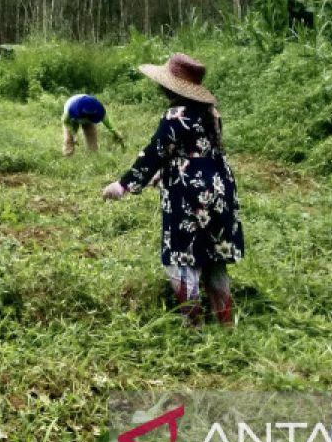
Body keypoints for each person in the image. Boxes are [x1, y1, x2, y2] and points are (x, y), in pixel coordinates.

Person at [101, 54, 243, 326]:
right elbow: (197, 152)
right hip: (220, 189)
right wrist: (163, 173)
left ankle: (193, 326)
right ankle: (225, 322)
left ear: (169, 87)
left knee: (182, 258)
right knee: (214, 258)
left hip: (189, 195)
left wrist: (124, 185)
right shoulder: (212, 113)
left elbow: (155, 152)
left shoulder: (174, 115)